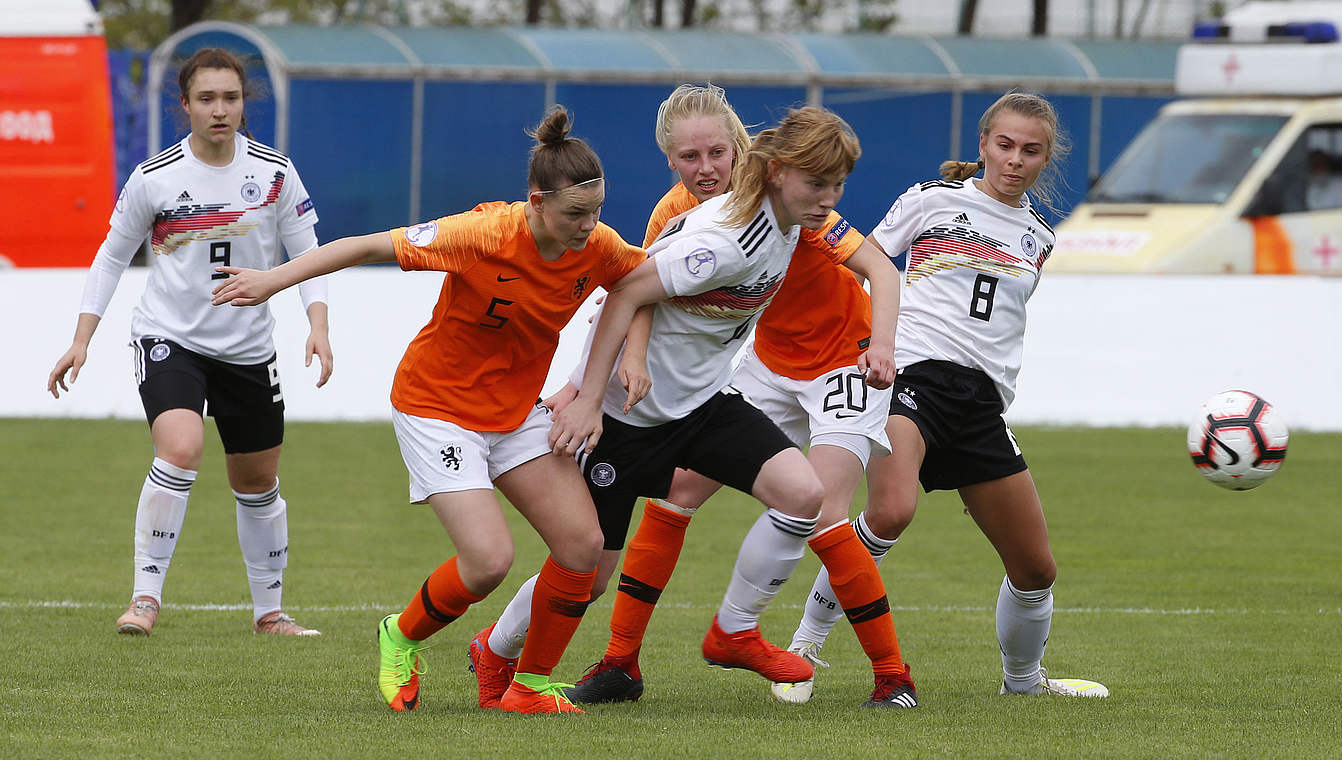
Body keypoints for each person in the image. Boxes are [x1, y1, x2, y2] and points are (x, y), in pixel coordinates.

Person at [475, 102, 918, 709]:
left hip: (702, 405)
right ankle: (496, 649)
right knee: (588, 572)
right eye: (818, 184)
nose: (829, 198)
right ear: (779, 172)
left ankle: (733, 633)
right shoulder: (729, 241)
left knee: (804, 492)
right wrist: (585, 397)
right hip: (632, 418)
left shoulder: (790, 216)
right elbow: (625, 291)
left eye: (837, 185)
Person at [209, 107, 644, 714]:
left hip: (516, 412)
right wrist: (272, 281)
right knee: (489, 561)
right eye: (575, 214)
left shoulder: (596, 245)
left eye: (597, 211)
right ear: (536, 200)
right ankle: (402, 635)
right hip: (436, 407)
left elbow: (640, 284)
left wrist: (601, 385)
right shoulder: (483, 235)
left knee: (583, 547)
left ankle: (530, 684)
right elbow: (365, 245)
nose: (589, 226)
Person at [780, 90, 1109, 699]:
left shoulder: (1040, 238)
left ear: (1045, 159)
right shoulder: (932, 202)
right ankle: (804, 648)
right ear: (983, 144)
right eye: (1004, 145)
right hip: (912, 376)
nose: (1014, 160)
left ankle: (1025, 683)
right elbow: (865, 261)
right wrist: (865, 341)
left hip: (979, 403)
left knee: (1036, 569)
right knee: (889, 512)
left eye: (1030, 151)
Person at [47, 48, 332, 638]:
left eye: (230, 97)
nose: (220, 109)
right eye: (206, 99)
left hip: (249, 348)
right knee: (179, 446)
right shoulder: (155, 178)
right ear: (185, 106)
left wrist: (319, 327)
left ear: (243, 103)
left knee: (256, 481)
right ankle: (144, 600)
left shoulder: (275, 173)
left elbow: (311, 256)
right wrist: (81, 340)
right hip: (170, 337)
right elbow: (109, 258)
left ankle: (270, 613)